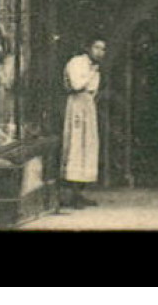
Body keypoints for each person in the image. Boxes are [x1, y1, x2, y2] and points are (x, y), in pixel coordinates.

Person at [61, 38, 105, 208]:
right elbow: (77, 84)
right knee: (76, 145)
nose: (100, 52)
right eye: (97, 47)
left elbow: (93, 91)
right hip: (77, 105)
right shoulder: (77, 63)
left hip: (88, 105)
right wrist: (91, 73)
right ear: (87, 47)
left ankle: (79, 193)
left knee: (88, 146)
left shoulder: (95, 68)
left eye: (103, 49)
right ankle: (71, 194)